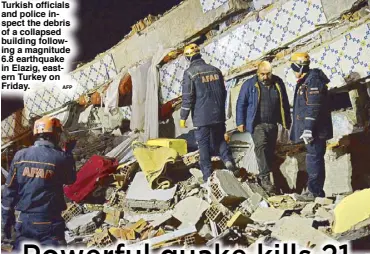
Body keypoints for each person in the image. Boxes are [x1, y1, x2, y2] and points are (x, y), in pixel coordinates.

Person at [1, 116, 77, 249]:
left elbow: (9, 193)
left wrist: (6, 225)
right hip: (50, 223)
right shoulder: (60, 158)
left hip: (24, 222)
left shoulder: (20, 156)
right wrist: (69, 153)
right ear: (54, 135)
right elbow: (70, 179)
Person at [179, 43, 237, 181]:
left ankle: (207, 176)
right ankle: (228, 161)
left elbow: (188, 97)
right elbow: (223, 93)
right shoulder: (215, 70)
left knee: (203, 146)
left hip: (202, 117)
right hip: (218, 115)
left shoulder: (189, 73)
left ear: (188, 58)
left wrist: (183, 117)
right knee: (220, 140)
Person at [236, 61, 291, 193]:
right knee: (261, 147)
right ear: (257, 73)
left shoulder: (277, 83)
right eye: (262, 74)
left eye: (268, 74)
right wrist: (240, 122)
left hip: (272, 123)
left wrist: (286, 121)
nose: (265, 77)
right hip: (257, 123)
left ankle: (273, 182)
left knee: (270, 151)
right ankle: (264, 179)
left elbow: (284, 102)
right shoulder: (249, 85)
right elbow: (241, 104)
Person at [290, 52, 333, 201]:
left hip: (315, 130)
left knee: (314, 159)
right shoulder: (306, 80)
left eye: (294, 69)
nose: (294, 73)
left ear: (300, 67)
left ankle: (315, 192)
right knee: (313, 158)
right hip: (313, 129)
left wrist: (308, 128)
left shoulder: (313, 81)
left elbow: (313, 105)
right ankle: (314, 191)